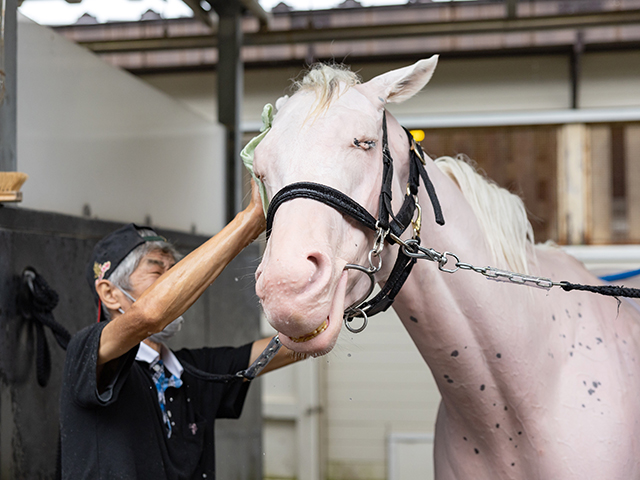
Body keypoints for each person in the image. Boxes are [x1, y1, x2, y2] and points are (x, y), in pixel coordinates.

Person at [59, 184, 296, 479]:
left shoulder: (188, 372)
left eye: (177, 272)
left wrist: (335, 300)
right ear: (110, 293)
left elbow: (290, 346)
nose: (176, 286)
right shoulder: (86, 354)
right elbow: (149, 315)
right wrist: (251, 221)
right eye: (160, 272)